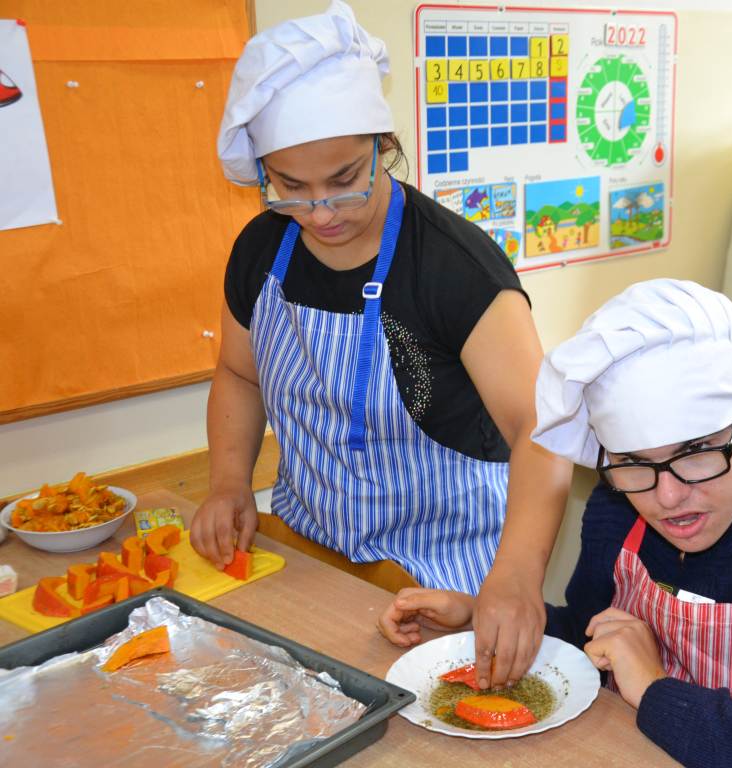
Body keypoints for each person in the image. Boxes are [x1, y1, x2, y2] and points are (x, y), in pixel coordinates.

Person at [191, 0, 571, 689]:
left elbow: (540, 428)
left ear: (382, 147)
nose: (321, 213)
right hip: (311, 555)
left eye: (344, 181)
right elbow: (240, 375)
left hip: (445, 583)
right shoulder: (260, 251)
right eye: (291, 188)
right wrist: (227, 483)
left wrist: (516, 578)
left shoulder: (453, 267)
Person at [380, 279, 732, 766]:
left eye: (696, 453)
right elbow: (591, 632)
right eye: (633, 462)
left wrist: (655, 691)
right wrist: (481, 621)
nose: (668, 498)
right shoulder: (617, 504)